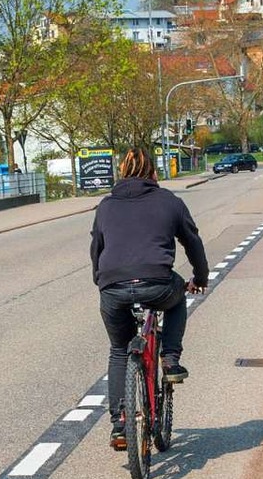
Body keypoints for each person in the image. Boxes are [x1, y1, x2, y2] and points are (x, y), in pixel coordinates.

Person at [90, 147, 210, 448]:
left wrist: (102, 282)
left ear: (122, 172)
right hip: (157, 283)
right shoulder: (169, 201)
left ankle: (120, 425)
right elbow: (192, 242)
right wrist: (200, 278)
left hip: (113, 288)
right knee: (178, 294)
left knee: (119, 349)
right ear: (153, 173)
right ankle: (170, 360)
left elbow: (97, 250)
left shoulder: (105, 206)